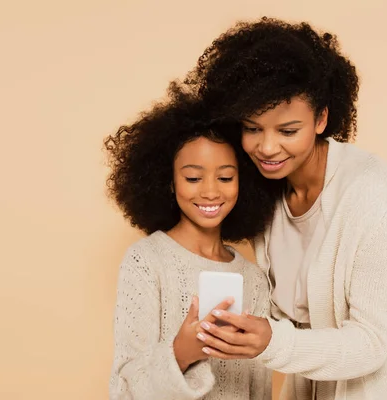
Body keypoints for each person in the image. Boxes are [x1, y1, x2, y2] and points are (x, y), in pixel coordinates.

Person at [185, 18, 387, 399]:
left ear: (321, 119)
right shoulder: (266, 195)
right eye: (252, 128)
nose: (267, 148)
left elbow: (370, 344)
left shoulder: (378, 198)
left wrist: (270, 341)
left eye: (287, 131)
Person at [105, 87, 278, 399]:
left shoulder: (255, 280)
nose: (210, 192)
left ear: (244, 181)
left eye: (225, 178)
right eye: (193, 178)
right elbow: (124, 389)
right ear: (170, 182)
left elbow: (259, 389)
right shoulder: (146, 262)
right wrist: (181, 353)